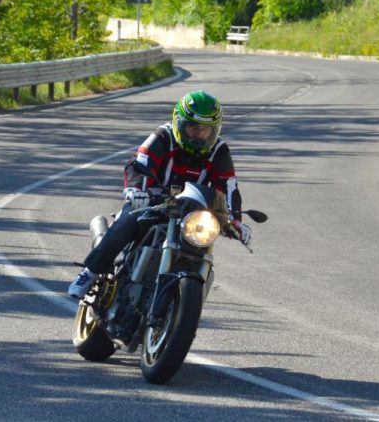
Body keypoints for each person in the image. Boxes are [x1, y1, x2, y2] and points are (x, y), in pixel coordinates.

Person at [68, 90, 252, 299]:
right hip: (152, 201)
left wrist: (235, 221)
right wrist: (136, 191)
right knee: (128, 221)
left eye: (206, 130)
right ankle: (89, 272)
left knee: (204, 242)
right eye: (193, 128)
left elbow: (228, 186)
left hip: (191, 211)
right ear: (179, 123)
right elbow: (140, 163)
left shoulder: (219, 150)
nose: (200, 135)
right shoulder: (163, 136)